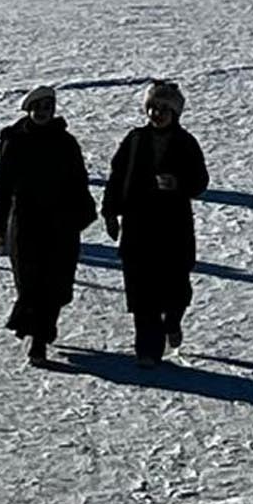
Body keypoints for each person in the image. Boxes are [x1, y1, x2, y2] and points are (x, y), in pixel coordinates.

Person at [104, 80, 209, 367]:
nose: (157, 113)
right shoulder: (135, 139)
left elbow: (200, 180)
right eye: (152, 107)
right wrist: (110, 212)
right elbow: (116, 176)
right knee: (141, 290)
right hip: (138, 225)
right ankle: (148, 350)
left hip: (173, 228)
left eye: (163, 108)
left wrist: (179, 183)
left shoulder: (185, 142)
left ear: (175, 112)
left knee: (176, 288)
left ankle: (172, 322)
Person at [0, 85, 97, 366]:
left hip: (60, 222)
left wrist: (82, 213)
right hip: (25, 221)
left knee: (55, 283)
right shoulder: (14, 141)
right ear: (29, 109)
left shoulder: (66, 142)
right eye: (37, 108)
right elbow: (2, 186)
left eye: (47, 108)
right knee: (29, 283)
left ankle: (38, 335)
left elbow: (79, 181)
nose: (42, 113)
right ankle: (37, 334)